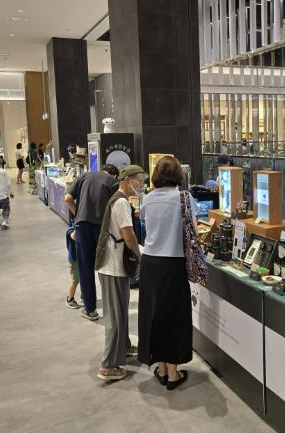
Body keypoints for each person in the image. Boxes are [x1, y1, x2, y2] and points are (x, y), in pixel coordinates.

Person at [138, 156, 196, 390]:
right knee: (174, 316)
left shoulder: (148, 198)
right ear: (178, 175)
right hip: (173, 263)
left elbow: (144, 220)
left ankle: (161, 368)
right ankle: (173, 374)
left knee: (155, 314)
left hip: (150, 263)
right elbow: (192, 229)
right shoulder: (184, 198)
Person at [94, 165, 146, 381]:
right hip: (113, 265)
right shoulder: (122, 202)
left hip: (115, 264)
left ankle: (124, 347)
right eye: (139, 180)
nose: (141, 185)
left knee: (121, 311)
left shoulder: (118, 199)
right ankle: (108, 366)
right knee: (115, 317)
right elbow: (128, 235)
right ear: (126, 180)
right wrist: (140, 256)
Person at [64, 166, 118, 321]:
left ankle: (90, 310)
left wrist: (78, 214)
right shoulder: (112, 182)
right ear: (114, 175)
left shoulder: (83, 176)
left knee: (85, 269)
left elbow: (67, 199)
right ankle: (111, 307)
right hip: (102, 228)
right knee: (106, 267)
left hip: (83, 227)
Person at [66, 225, 81, 309]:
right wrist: (79, 226)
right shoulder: (71, 229)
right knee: (75, 280)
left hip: (82, 258)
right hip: (74, 260)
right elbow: (74, 236)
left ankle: (84, 295)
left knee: (84, 278)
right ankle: (70, 299)